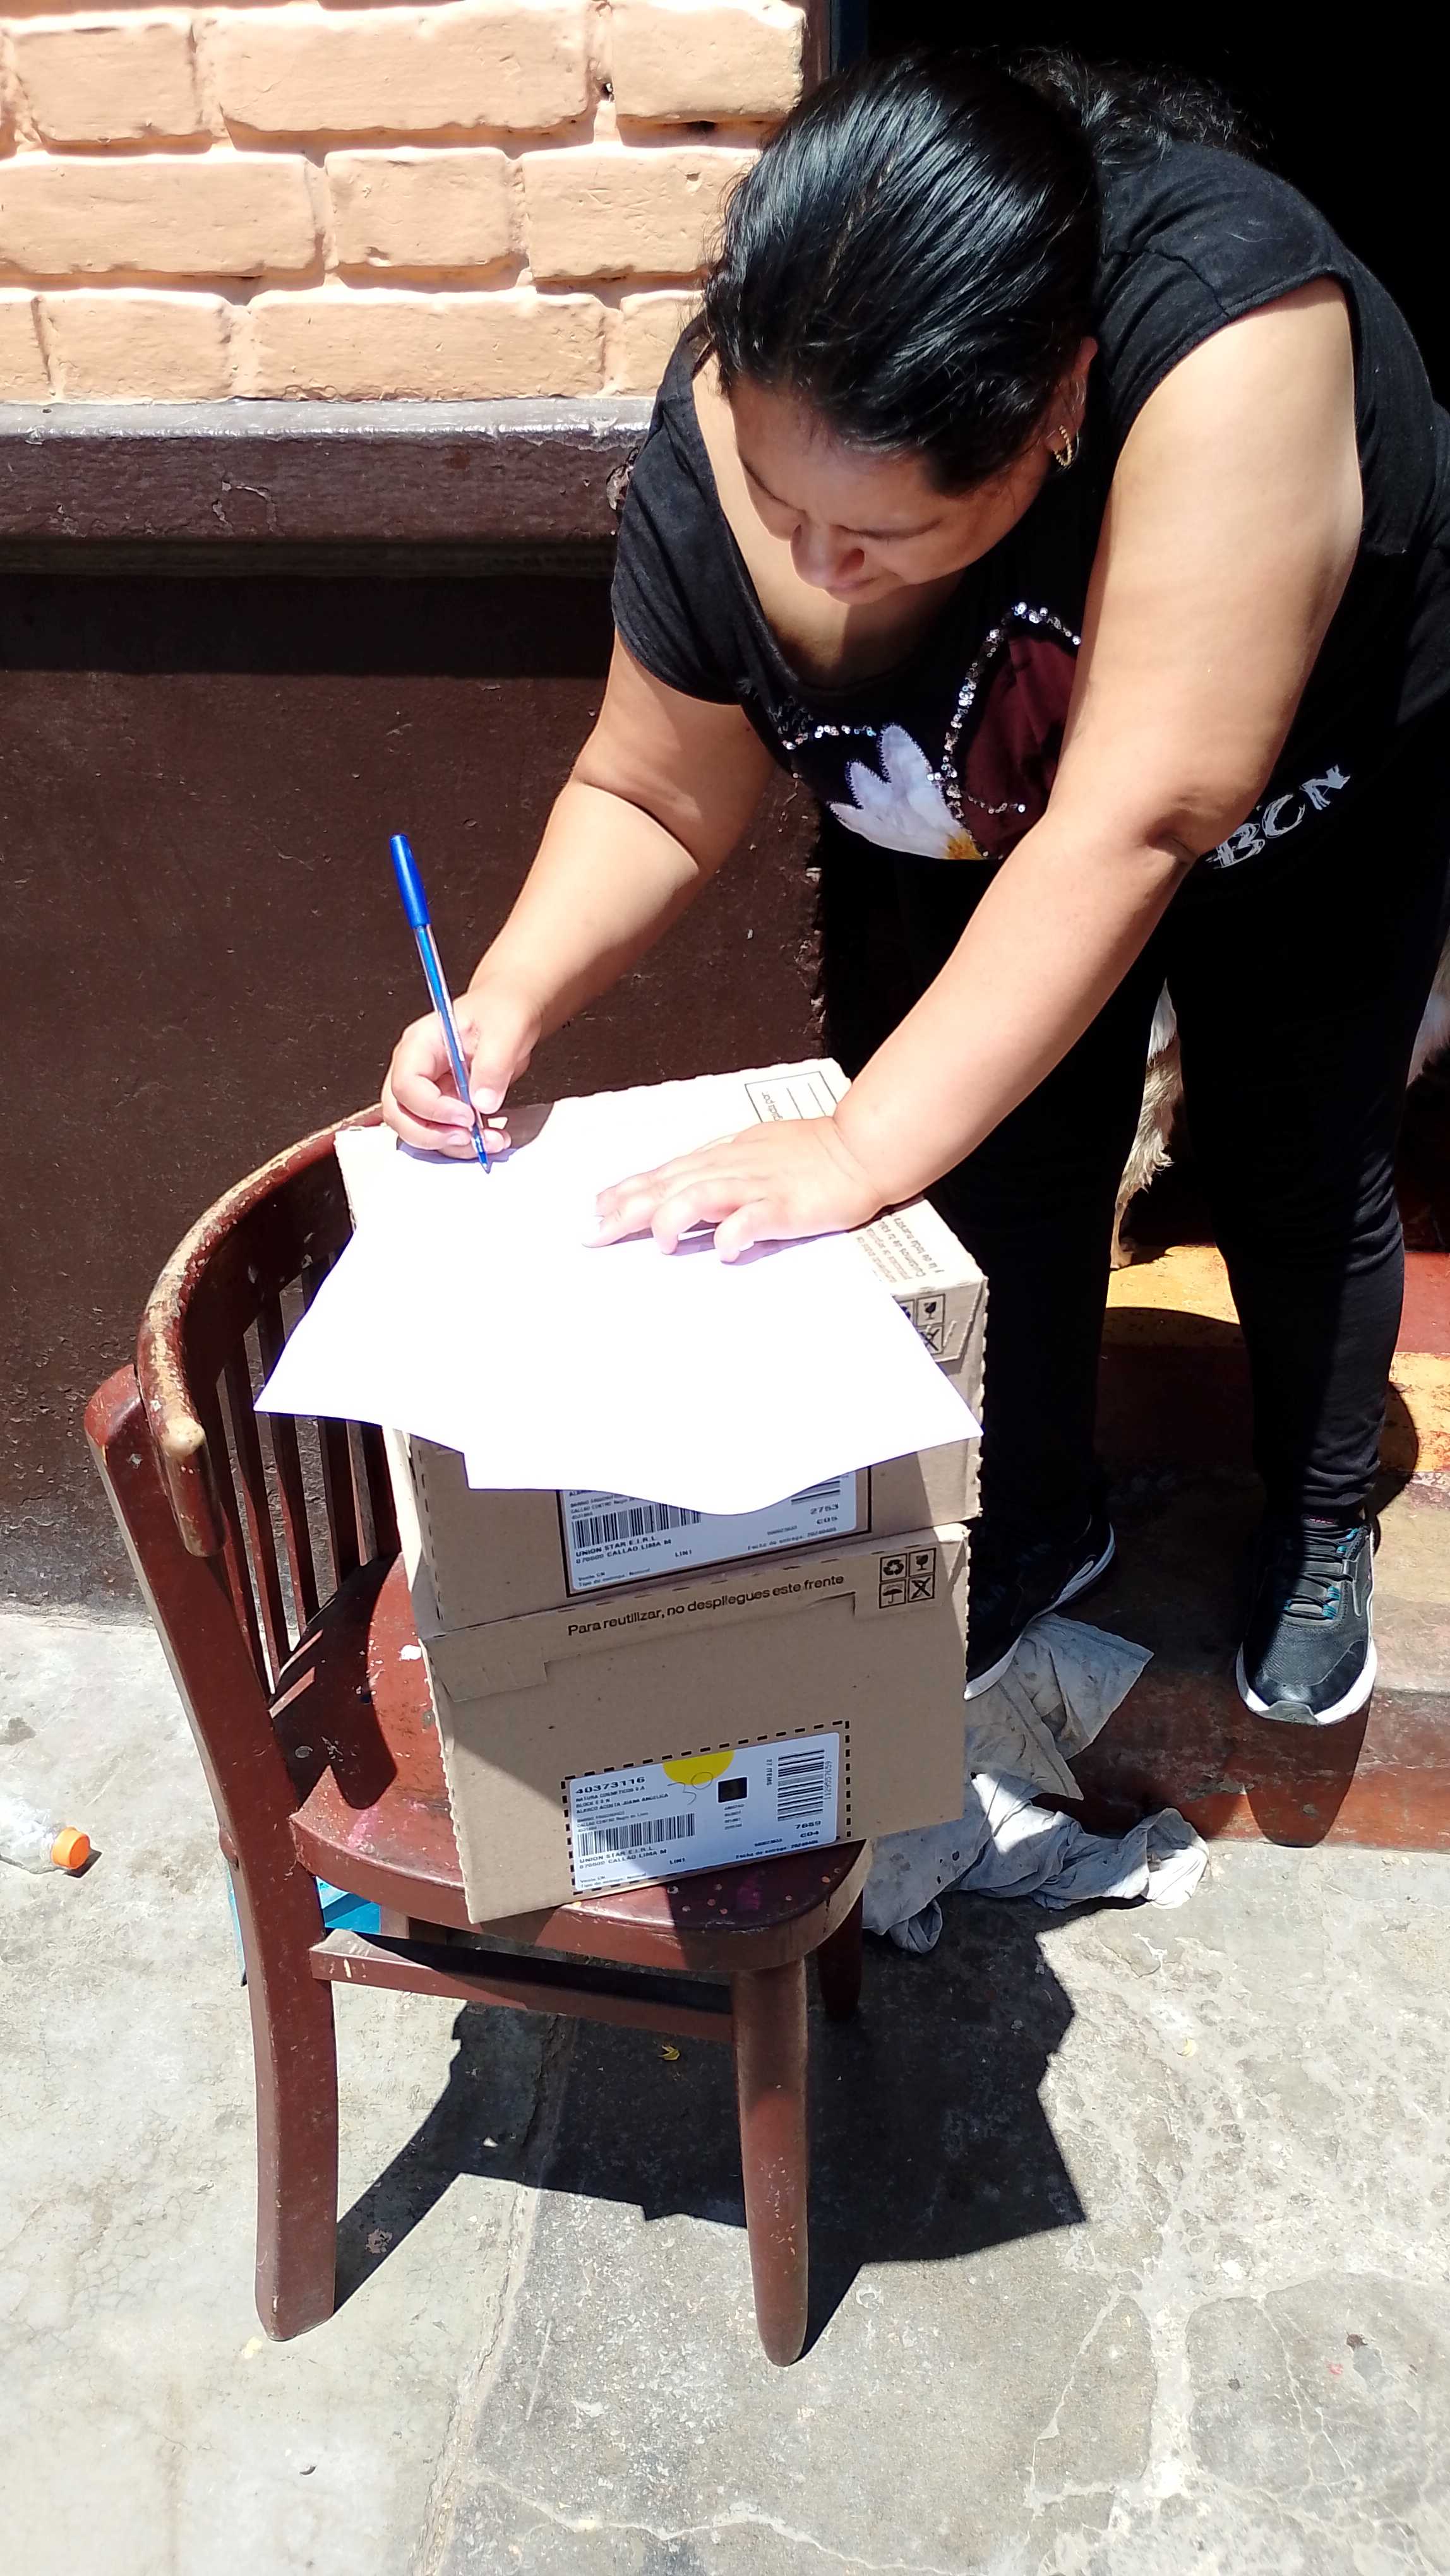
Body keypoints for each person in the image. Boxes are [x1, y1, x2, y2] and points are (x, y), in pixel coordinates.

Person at [383, 49, 1450, 1727]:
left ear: (1058, 412)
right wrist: (510, 995)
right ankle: (1032, 1519)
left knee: (1292, 1148)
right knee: (1002, 1165)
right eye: (779, 502)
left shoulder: (1233, 341)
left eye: (884, 536)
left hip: (1304, 782)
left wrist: (855, 1141)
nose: (817, 567)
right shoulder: (749, 401)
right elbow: (653, 785)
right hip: (991, 802)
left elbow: (1138, 819)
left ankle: (1321, 1514)